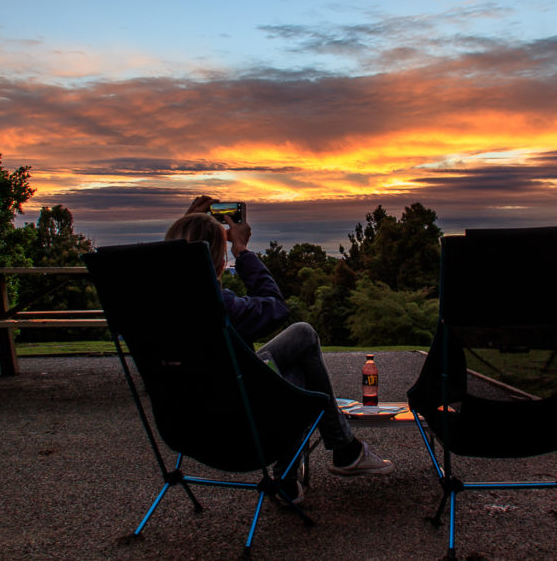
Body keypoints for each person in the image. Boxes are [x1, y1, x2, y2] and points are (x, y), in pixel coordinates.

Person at [165, 195, 393, 502]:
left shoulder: (153, 308)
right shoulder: (221, 305)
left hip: (186, 426)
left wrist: (187, 228)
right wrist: (243, 252)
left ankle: (328, 459)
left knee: (296, 363)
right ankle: (338, 452)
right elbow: (276, 307)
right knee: (303, 337)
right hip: (240, 426)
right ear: (220, 261)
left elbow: (165, 269)